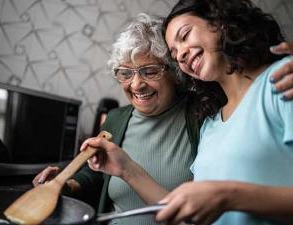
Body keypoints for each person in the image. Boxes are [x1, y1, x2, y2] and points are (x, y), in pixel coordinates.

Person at [149, 0, 293, 224]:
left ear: (220, 22)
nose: (180, 56)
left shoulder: (288, 78)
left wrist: (229, 196)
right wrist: (126, 169)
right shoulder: (210, 126)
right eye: (174, 53)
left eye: (185, 35)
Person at [33, 13, 220, 225]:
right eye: (126, 73)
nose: (136, 84)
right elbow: (95, 175)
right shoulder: (115, 119)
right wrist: (65, 186)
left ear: (175, 72)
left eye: (149, 71)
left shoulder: (202, 114)